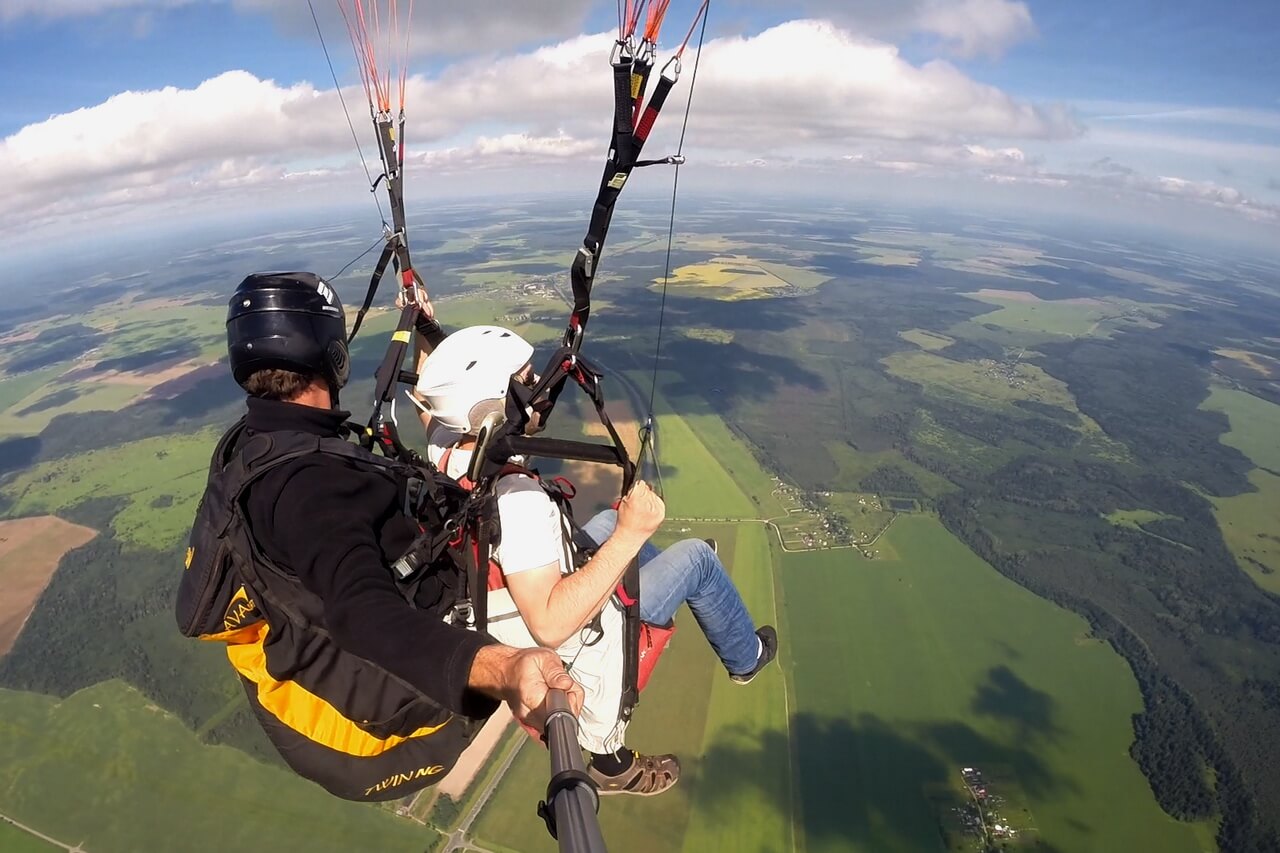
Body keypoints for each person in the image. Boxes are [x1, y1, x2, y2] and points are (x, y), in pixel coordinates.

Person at [177, 273, 583, 802]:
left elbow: (425, 423)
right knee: (564, 620)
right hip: (383, 739)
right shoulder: (312, 489)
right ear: (332, 354)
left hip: (312, 701)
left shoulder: (262, 443)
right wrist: (503, 667)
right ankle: (608, 750)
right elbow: (362, 613)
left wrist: (426, 331)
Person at [410, 325, 779, 797]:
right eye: (523, 382)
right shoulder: (519, 500)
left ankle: (668, 584)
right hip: (573, 629)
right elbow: (550, 623)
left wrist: (421, 322)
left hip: (496, 591)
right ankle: (745, 658)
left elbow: (431, 402)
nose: (537, 392)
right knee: (697, 558)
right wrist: (632, 534)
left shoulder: (451, 447)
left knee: (605, 522)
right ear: (488, 404)